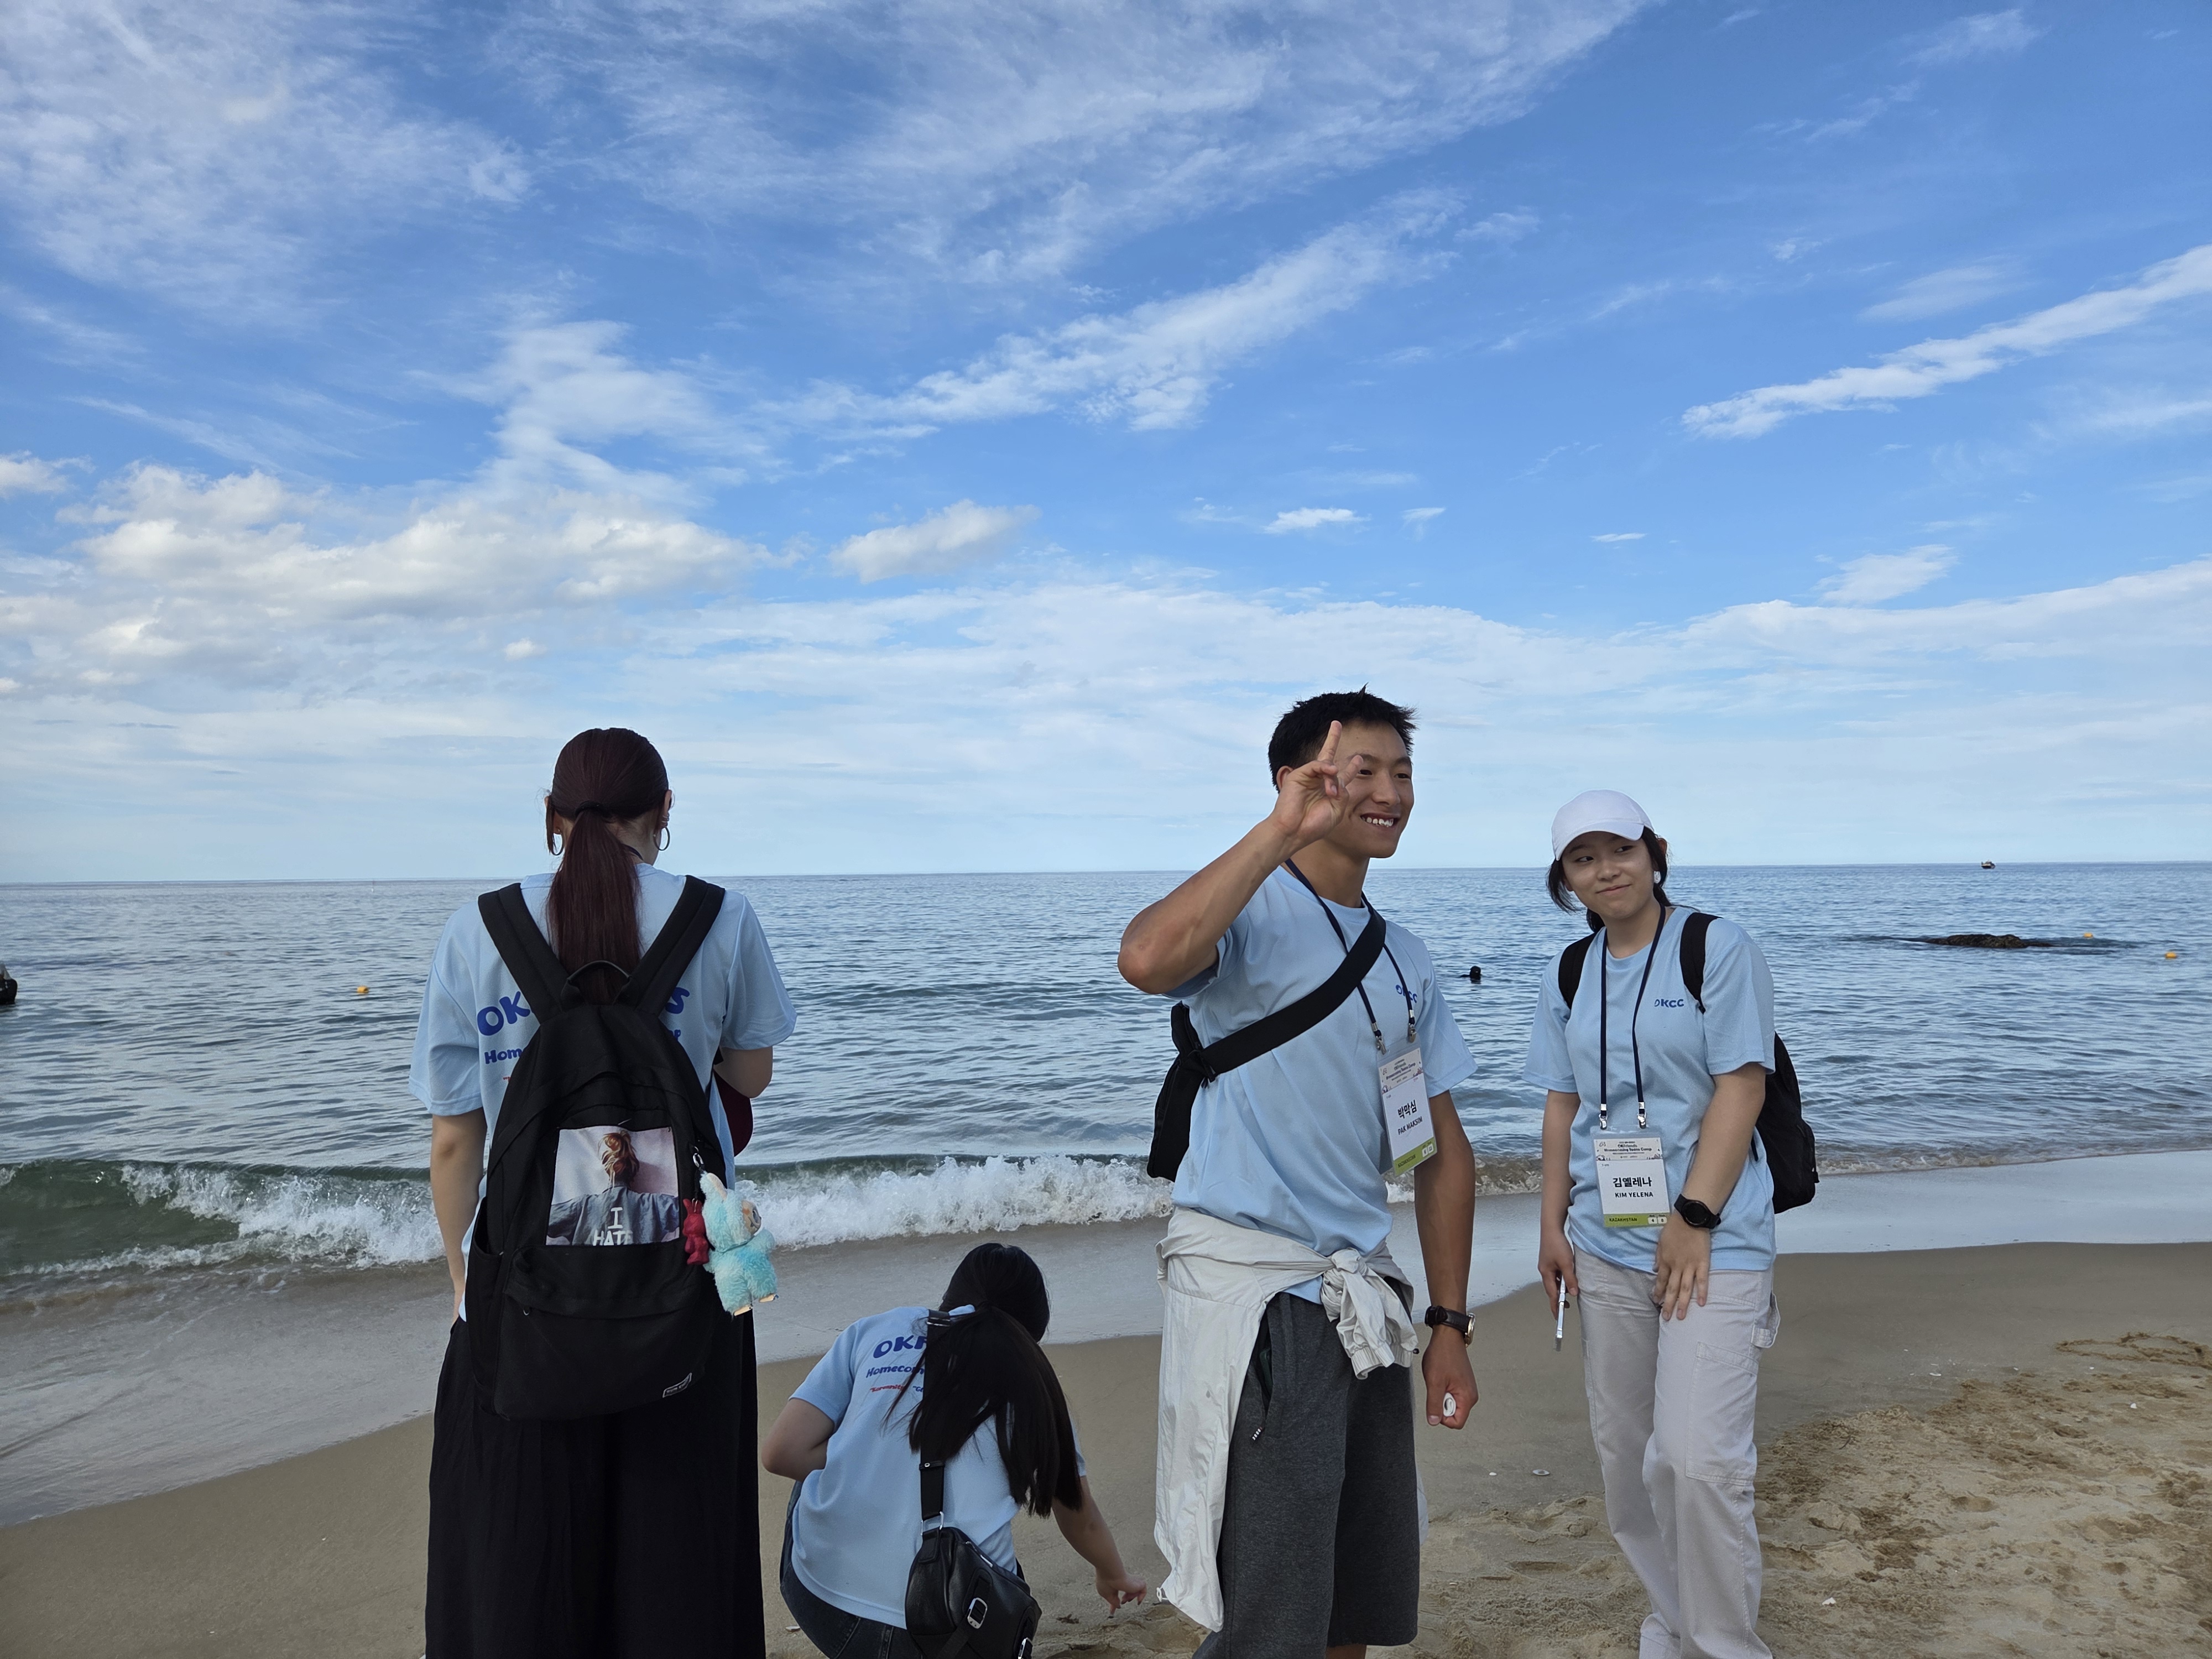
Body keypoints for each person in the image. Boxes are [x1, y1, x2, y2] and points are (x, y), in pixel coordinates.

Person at [411, 726, 797, 1659]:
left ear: (552, 818)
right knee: (679, 1578)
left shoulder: (477, 931)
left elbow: (456, 1139)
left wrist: (464, 1279)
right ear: (663, 812)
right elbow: (751, 1073)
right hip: (686, 1290)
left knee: (520, 1575)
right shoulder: (720, 918)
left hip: (525, 1303)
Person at [1116, 690, 1480, 1656]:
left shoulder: (1405, 961)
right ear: (1300, 779)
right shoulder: (1250, 908)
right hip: (1262, 1295)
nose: (1390, 793)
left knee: (1356, 1603)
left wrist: (1449, 1323)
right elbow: (1145, 959)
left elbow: (1439, 1153)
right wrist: (1279, 832)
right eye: (1364, 772)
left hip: (1365, 1300)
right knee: (1271, 1613)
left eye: (1403, 773)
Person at [1526, 790, 1781, 1659]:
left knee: (1696, 1459)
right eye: (1583, 858)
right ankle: (1672, 1619)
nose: (1607, 870)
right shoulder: (1569, 972)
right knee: (1627, 1460)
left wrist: (1692, 1217)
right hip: (1603, 1245)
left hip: (1714, 1240)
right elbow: (1563, 1104)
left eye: (1621, 850)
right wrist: (1553, 1225)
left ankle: (1724, 1645)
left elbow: (1742, 1087)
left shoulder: (1716, 947)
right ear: (1565, 879)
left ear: (1654, 853)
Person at [760, 1243, 1147, 1653]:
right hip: (955, 1631)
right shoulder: (1036, 1384)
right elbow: (1080, 1517)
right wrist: (1113, 1575)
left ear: (953, 1293)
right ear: (1032, 1326)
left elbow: (782, 1453)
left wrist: (861, 1456)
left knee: (817, 1472)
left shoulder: (879, 1329)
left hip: (826, 1607)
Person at [545, 1129, 685, 1246]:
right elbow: (690, 1207)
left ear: (607, 1167)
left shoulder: (582, 1207)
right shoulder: (654, 1205)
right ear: (632, 1170)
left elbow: (541, 1218)